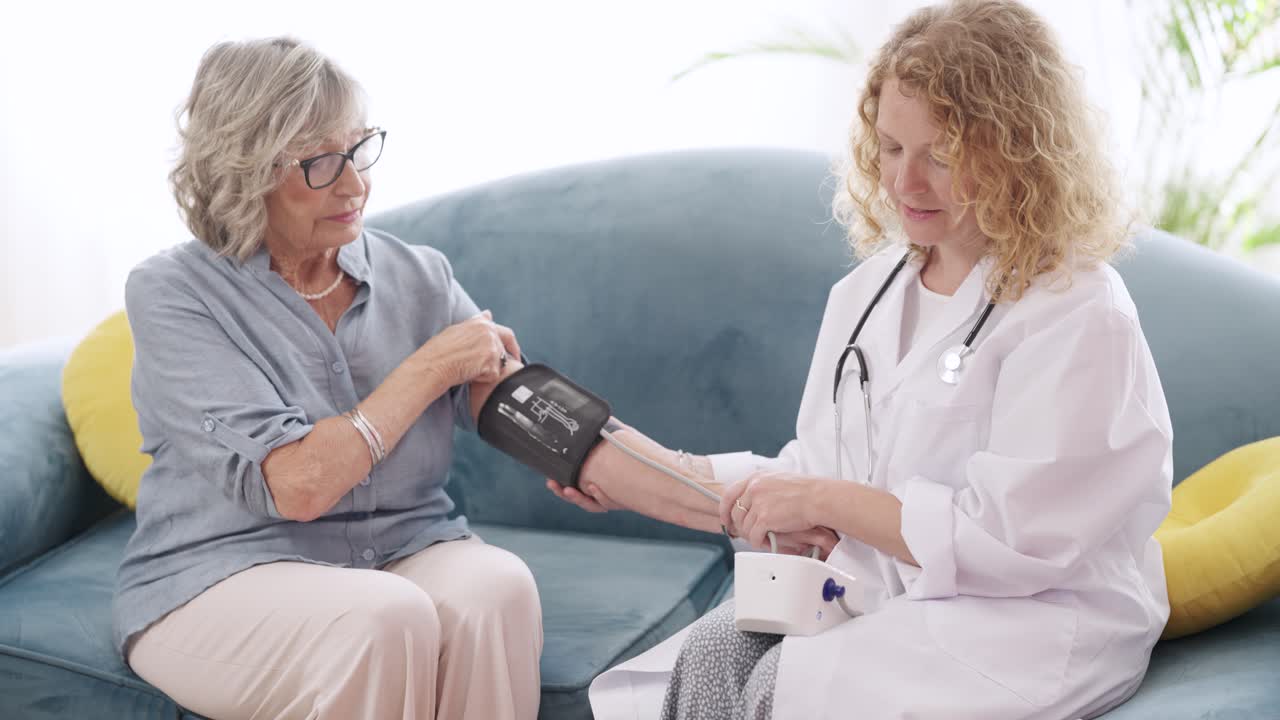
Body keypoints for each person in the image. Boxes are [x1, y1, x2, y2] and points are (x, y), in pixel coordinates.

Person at [551, 1, 1173, 718]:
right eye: (892, 148)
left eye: (942, 157)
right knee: (711, 658)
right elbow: (818, 467)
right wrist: (646, 469)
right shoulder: (869, 293)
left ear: (1016, 151)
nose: (906, 183)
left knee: (786, 689)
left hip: (1030, 615)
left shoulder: (1076, 310)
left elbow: (1012, 538)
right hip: (882, 590)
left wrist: (821, 500)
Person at [112, 37, 542, 720]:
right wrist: (432, 366)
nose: (356, 184)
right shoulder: (174, 292)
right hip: (220, 573)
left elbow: (543, 418)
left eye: (359, 149)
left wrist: (707, 489)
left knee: (497, 587)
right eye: (320, 163)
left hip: (402, 549)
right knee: (384, 619)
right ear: (244, 171)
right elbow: (299, 484)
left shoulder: (416, 274)